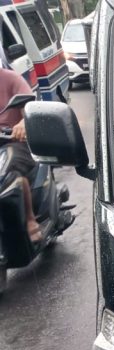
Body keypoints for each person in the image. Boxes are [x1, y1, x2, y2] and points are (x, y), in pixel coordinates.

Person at [0, 67, 41, 242]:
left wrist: (24, 123)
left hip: (14, 142)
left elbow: (30, 108)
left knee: (9, 169)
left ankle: (30, 219)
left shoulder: (11, 79)